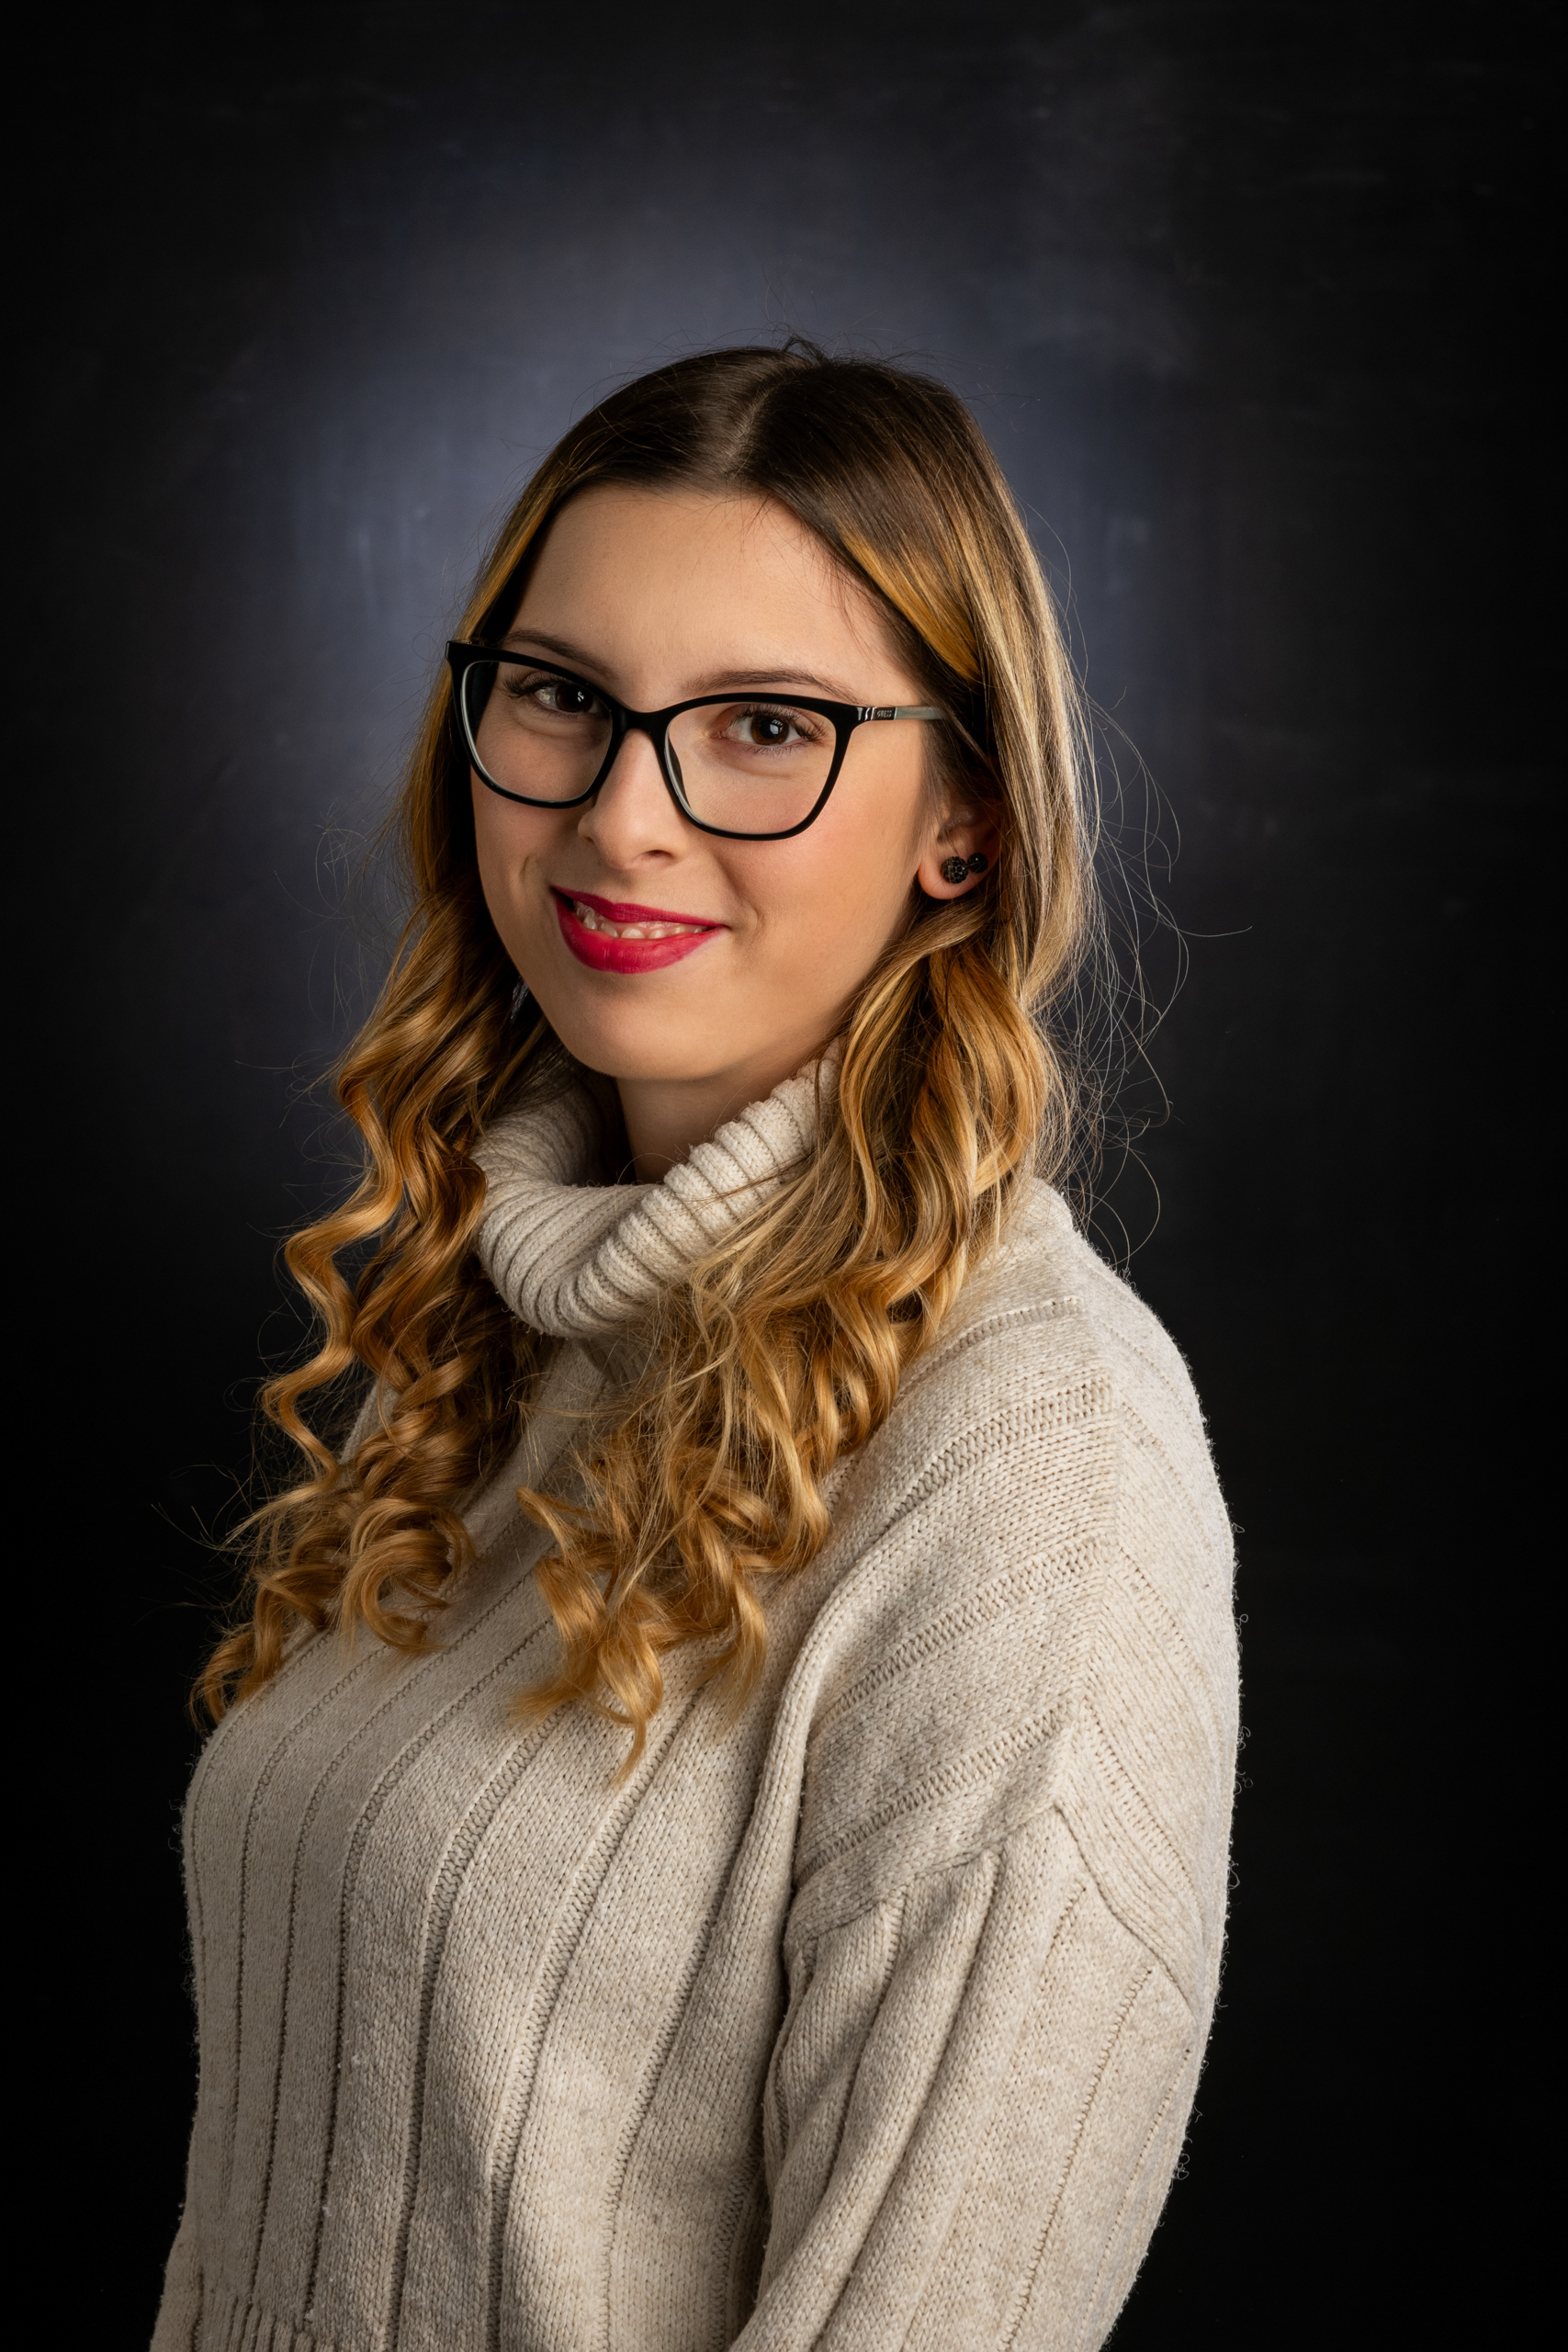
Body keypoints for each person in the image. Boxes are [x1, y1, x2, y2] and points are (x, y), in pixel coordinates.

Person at [153, 345, 1238, 2352]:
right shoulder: (492, 1328)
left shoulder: (1041, 1465)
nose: (620, 816)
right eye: (561, 695)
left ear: (966, 823)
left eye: (765, 727)